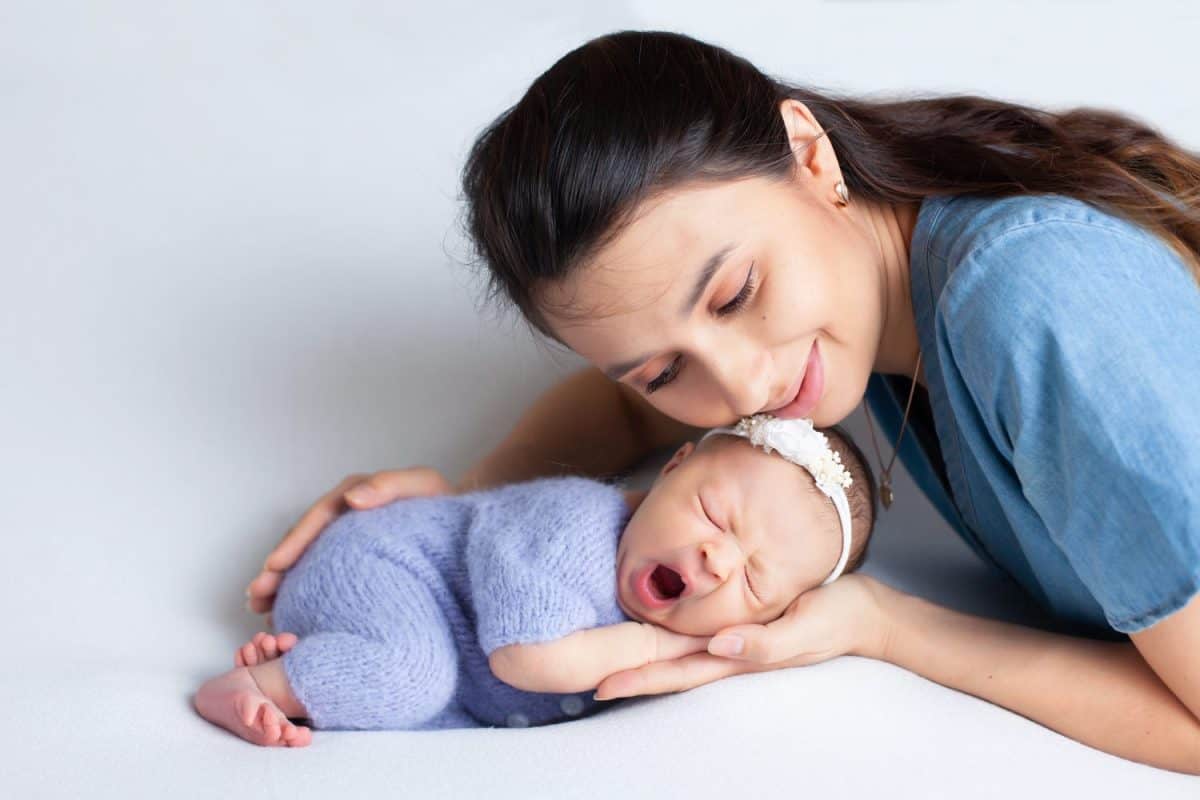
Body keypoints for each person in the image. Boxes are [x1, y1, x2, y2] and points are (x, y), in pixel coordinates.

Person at [245, 30, 1200, 772]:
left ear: (810, 154)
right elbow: (620, 414)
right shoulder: (869, 303)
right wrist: (459, 505)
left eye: (735, 293)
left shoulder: (1028, 301)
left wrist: (884, 626)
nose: (743, 390)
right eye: (665, 370)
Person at [196, 419, 876, 744]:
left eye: (753, 583)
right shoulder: (573, 525)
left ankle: (319, 665)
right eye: (712, 514)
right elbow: (525, 658)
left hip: (433, 630)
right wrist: (659, 649)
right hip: (381, 567)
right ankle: (257, 687)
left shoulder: (675, 602)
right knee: (413, 677)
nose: (715, 561)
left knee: (426, 695)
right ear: (671, 470)